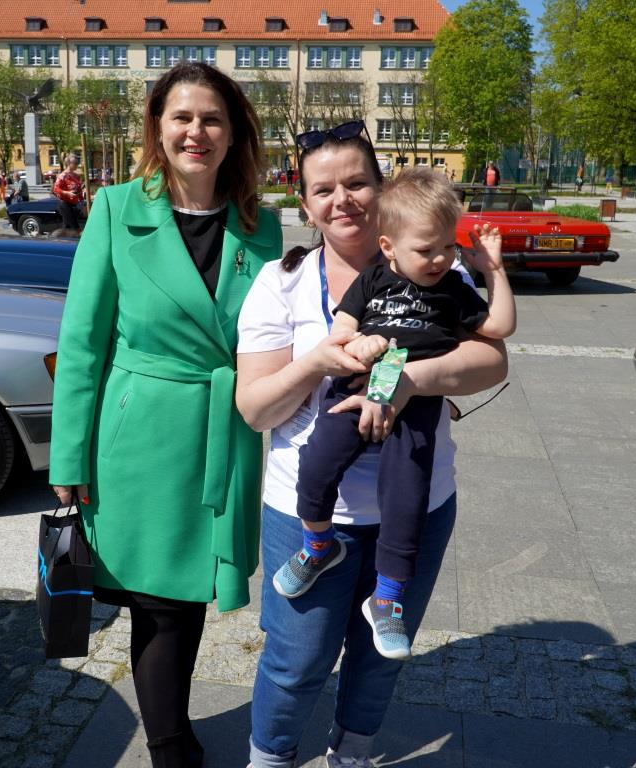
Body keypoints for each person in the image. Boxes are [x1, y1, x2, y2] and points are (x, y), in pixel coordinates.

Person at [235, 119, 508, 768]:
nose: (343, 200)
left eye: (357, 183)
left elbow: (493, 361)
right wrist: (315, 363)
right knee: (296, 659)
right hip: (306, 510)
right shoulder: (281, 282)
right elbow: (255, 409)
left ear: (381, 191)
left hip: (418, 501)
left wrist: (408, 382)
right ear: (306, 206)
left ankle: (352, 753)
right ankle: (269, 758)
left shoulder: (437, 269)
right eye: (323, 189)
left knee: (380, 657)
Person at [49, 62, 282, 768]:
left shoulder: (262, 226)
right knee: (159, 603)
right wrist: (68, 458)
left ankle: (173, 736)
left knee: (186, 596)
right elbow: (81, 344)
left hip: (221, 434)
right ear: (157, 127)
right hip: (138, 438)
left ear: (234, 133)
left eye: (212, 119)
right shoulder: (116, 210)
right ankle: (171, 747)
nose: (196, 132)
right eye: (181, 117)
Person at [274, 168, 516, 660]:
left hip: (416, 404)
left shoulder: (453, 287)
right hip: (357, 388)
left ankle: (387, 597)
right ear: (388, 247)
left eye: (448, 246)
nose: (441, 258)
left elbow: (500, 328)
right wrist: (360, 343)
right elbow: (339, 334)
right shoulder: (372, 280)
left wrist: (493, 270)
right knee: (317, 462)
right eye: (426, 249)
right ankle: (318, 544)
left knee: (406, 495)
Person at [53, 154, 85, 231]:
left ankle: (63, 237)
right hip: (65, 204)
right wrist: (67, 193)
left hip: (74, 205)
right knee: (75, 228)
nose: (77, 165)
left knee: (68, 228)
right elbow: (55, 189)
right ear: (69, 164)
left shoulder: (76, 176)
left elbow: (79, 190)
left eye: (78, 163)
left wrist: (82, 202)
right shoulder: (63, 175)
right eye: (75, 163)